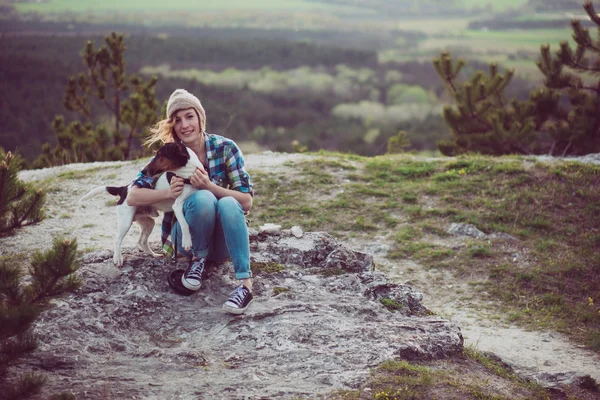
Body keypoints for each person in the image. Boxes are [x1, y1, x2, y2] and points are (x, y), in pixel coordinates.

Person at [127, 88, 254, 314]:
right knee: (202, 198)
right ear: (172, 127)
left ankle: (245, 287)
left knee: (226, 202)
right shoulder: (168, 156)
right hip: (188, 240)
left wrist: (209, 186)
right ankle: (196, 264)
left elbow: (246, 202)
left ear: (200, 119)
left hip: (223, 241)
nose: (184, 125)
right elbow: (133, 196)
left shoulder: (226, 148)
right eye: (177, 120)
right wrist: (167, 194)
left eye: (189, 117)